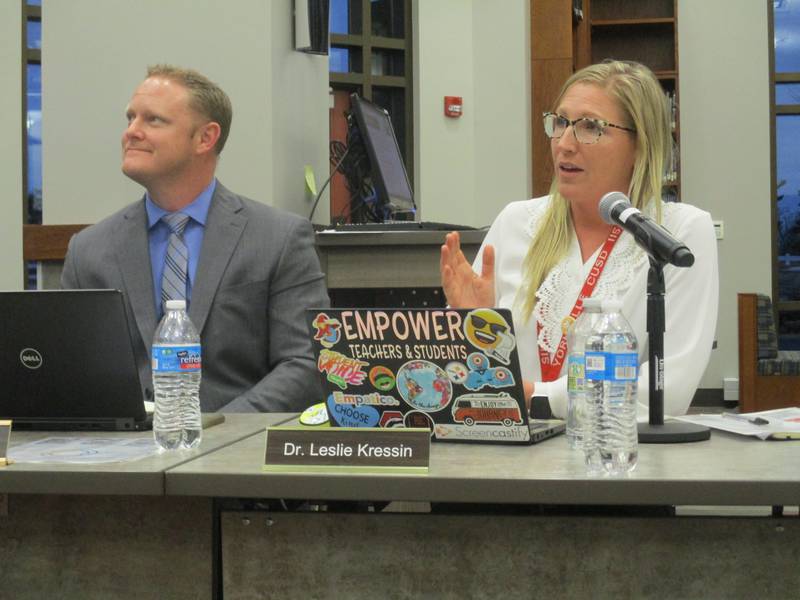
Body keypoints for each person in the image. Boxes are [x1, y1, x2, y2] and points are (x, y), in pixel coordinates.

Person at [440, 60, 718, 420]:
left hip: (617, 462)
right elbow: (461, 379)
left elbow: (663, 394)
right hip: (508, 461)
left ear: (639, 144)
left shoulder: (679, 234)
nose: (564, 144)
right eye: (560, 123)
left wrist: (532, 398)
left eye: (591, 127)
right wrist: (469, 326)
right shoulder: (516, 221)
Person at [62, 65, 330, 413]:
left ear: (205, 138)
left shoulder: (279, 239)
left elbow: (306, 362)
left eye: (153, 120)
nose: (132, 131)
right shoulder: (88, 250)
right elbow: (68, 371)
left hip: (235, 451)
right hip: (122, 453)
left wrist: (212, 433)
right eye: (130, 118)